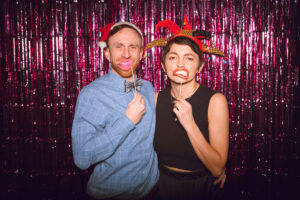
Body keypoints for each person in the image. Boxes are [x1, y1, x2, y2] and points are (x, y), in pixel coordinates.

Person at [71, 21, 159, 199]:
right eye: (119, 47)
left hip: (152, 191)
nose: (126, 54)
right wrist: (127, 121)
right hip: (112, 194)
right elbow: (82, 158)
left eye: (132, 47)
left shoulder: (147, 87)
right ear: (107, 53)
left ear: (141, 54)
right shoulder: (91, 94)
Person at [145, 17, 229, 199]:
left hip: (202, 187)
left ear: (200, 67)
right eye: (173, 57)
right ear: (163, 66)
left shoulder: (215, 101)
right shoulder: (156, 99)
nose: (180, 64)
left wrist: (189, 124)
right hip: (163, 186)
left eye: (189, 58)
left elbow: (217, 168)